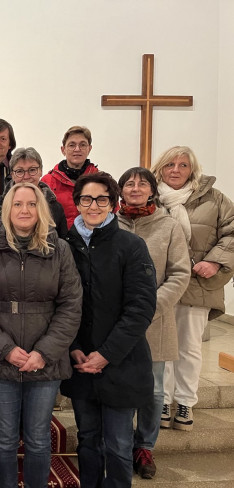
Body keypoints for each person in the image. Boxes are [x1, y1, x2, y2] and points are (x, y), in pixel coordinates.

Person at [0, 183, 82, 488]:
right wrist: (5, 349)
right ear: (7, 209)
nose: (25, 210)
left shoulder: (60, 250)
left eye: (31, 204)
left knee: (38, 437)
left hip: (45, 361)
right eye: (18, 204)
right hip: (1, 358)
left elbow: (71, 305)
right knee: (3, 437)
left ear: (41, 209)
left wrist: (44, 352)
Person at [60, 172, 157, 488]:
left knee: (117, 443)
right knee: (87, 439)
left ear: (113, 204)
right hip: (80, 360)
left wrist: (106, 354)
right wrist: (73, 345)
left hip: (121, 363)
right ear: (77, 203)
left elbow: (140, 308)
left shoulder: (130, 245)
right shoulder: (65, 246)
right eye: (86, 199)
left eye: (102, 199)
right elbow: (59, 302)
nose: (93, 205)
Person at [150, 146, 234, 431]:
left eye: (183, 165)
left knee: (188, 346)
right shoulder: (150, 196)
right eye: (170, 164)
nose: (176, 170)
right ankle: (161, 399)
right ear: (160, 167)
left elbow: (232, 232)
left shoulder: (214, 199)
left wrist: (214, 261)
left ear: (192, 169)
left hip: (198, 282)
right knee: (161, 346)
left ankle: (185, 401)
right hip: (160, 284)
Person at [116, 167, 191, 479]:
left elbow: (180, 273)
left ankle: (144, 446)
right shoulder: (110, 222)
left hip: (154, 320)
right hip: (115, 322)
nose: (135, 188)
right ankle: (119, 444)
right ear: (120, 191)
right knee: (117, 385)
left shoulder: (169, 226)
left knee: (154, 389)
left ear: (152, 190)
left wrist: (151, 306)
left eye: (142, 183)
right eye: (129, 183)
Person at [0, 147, 67, 236]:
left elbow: (61, 243)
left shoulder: (55, 208)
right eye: (20, 171)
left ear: (41, 171)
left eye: (32, 170)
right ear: (12, 175)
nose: (26, 177)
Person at [41, 126, 99, 229]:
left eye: (82, 145)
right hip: (58, 241)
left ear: (89, 149)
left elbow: (112, 212)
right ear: (63, 150)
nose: (77, 149)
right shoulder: (47, 181)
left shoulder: (101, 180)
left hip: (94, 240)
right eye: (72, 145)